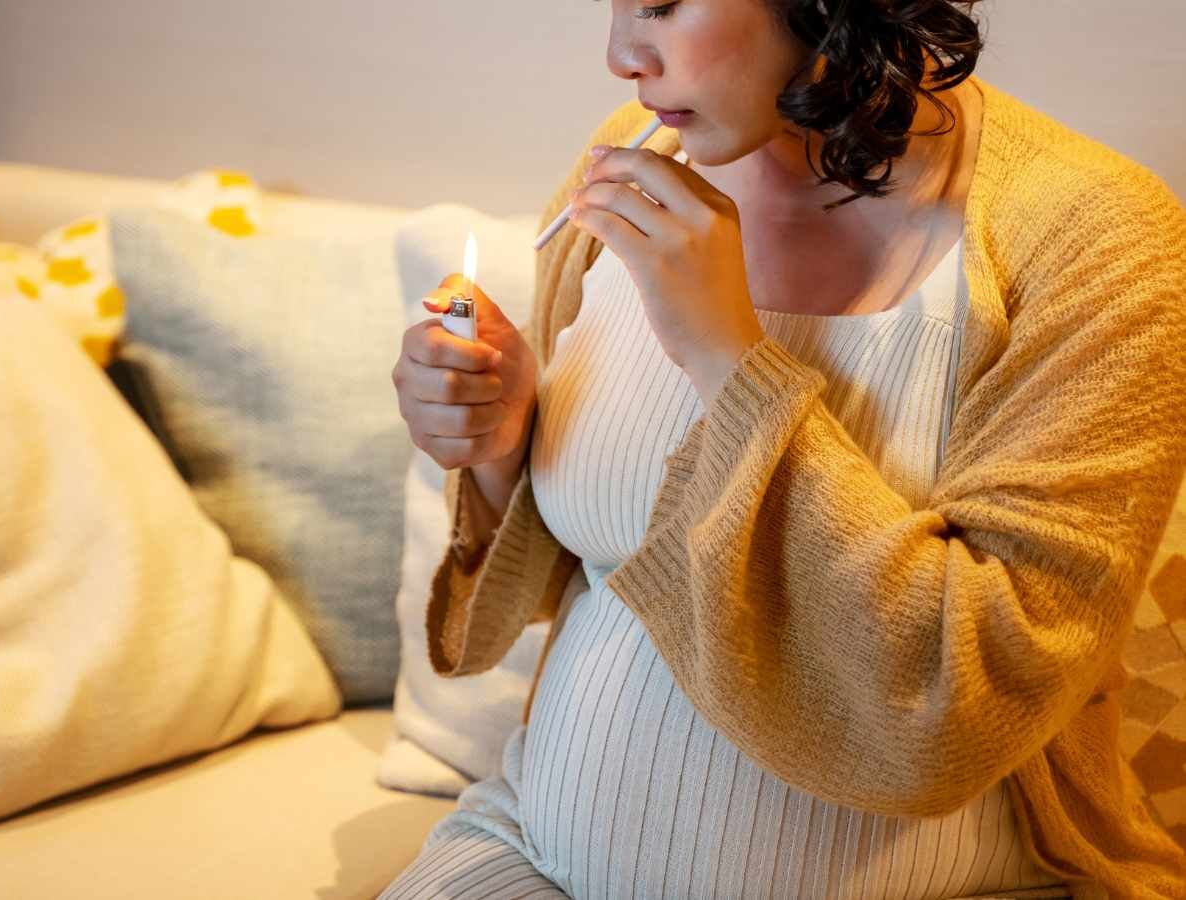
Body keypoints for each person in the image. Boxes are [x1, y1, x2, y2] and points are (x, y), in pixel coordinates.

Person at [385, 0, 1186, 898]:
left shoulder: (1097, 234)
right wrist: (500, 444)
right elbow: (580, 561)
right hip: (534, 848)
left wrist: (727, 356)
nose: (620, 53)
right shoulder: (635, 154)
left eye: (662, 3)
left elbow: (963, 699)